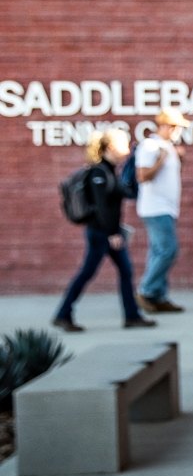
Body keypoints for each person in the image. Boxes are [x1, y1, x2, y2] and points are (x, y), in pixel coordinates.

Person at [52, 128, 157, 332]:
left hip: (107, 232)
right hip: (100, 233)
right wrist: (113, 233)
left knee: (124, 271)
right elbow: (102, 207)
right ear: (110, 147)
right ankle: (64, 314)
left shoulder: (110, 171)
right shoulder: (98, 173)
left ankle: (131, 315)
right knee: (87, 273)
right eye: (123, 144)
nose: (127, 148)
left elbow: (126, 193)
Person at [134, 107, 190, 313]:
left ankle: (158, 296)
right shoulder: (151, 146)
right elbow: (142, 176)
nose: (178, 132)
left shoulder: (168, 147)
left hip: (167, 208)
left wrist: (178, 159)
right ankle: (147, 290)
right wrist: (160, 160)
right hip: (155, 208)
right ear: (165, 126)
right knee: (168, 250)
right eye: (176, 127)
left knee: (158, 251)